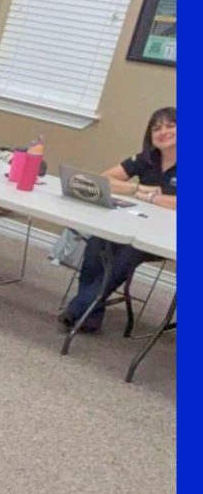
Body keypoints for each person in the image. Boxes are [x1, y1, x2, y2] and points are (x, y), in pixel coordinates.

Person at [60, 107, 177, 333]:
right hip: (134, 223)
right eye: (156, 128)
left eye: (170, 125)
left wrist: (153, 196)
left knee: (126, 254)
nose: (163, 132)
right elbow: (105, 179)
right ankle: (91, 315)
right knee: (97, 242)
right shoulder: (146, 159)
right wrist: (138, 188)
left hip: (167, 237)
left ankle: (79, 308)